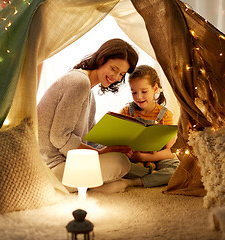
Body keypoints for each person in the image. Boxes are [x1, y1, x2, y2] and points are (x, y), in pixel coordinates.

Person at [37, 38, 139, 193]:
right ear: (102, 59)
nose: (116, 77)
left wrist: (111, 147)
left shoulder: (87, 89)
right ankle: (88, 185)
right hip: (50, 168)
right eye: (114, 69)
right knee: (120, 163)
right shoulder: (79, 83)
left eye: (121, 74)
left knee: (119, 158)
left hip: (64, 162)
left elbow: (90, 136)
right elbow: (59, 137)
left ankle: (89, 186)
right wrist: (101, 153)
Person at [119, 65, 180, 188]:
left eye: (144, 91)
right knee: (116, 163)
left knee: (177, 170)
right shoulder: (126, 112)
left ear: (155, 88)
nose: (138, 97)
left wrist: (142, 156)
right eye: (134, 92)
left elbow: (169, 153)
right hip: (133, 161)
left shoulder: (166, 115)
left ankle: (136, 181)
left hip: (157, 158)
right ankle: (151, 175)